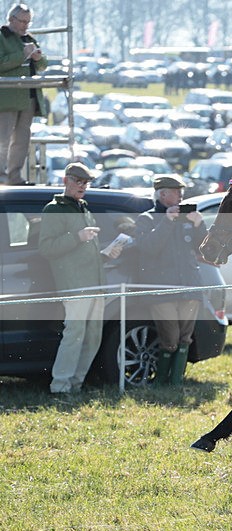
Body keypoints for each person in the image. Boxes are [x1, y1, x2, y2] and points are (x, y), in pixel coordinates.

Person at [38, 163, 122, 393]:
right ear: (65, 181)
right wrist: (76, 236)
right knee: (74, 335)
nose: (82, 186)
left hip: (95, 284)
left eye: (86, 182)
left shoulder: (84, 208)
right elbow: (46, 247)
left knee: (92, 337)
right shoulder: (54, 209)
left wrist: (105, 254)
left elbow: (85, 252)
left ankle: (75, 385)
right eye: (78, 181)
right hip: (74, 285)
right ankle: (60, 387)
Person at [134, 175, 206, 385]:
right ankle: (161, 380)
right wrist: (166, 221)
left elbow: (203, 247)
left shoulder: (187, 219)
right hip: (161, 289)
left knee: (185, 338)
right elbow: (149, 248)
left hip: (189, 286)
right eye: (176, 191)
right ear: (163, 193)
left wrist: (199, 225)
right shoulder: (147, 219)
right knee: (170, 338)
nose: (180, 195)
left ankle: (176, 381)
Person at [0, 4, 47, 185]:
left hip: (28, 98)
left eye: (28, 22)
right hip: (7, 99)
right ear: (11, 19)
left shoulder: (29, 38)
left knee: (22, 141)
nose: (26, 26)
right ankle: (0, 177)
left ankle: (14, 177)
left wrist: (38, 58)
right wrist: (22, 55)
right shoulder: (2, 37)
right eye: (22, 21)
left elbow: (43, 65)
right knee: (2, 139)